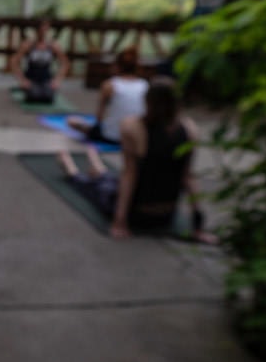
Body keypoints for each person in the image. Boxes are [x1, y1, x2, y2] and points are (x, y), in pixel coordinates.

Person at [57, 77, 216, 243]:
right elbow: (188, 177)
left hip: (138, 213)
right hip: (167, 215)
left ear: (147, 101)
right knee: (110, 182)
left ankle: (72, 170)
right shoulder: (189, 129)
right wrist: (198, 228)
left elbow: (129, 176)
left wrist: (120, 221)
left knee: (99, 189)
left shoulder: (133, 127)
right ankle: (98, 168)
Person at [67, 46, 148, 145]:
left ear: (118, 66)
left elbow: (99, 117)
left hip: (112, 136)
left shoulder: (110, 85)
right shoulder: (145, 85)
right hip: (135, 137)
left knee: (72, 120)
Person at [10, 18, 70, 104]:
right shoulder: (28, 44)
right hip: (32, 78)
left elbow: (65, 63)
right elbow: (14, 61)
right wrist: (22, 80)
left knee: (48, 97)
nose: (43, 31)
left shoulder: (53, 45)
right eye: (41, 28)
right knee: (34, 96)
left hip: (46, 78)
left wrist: (57, 80)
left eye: (45, 29)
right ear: (36, 30)